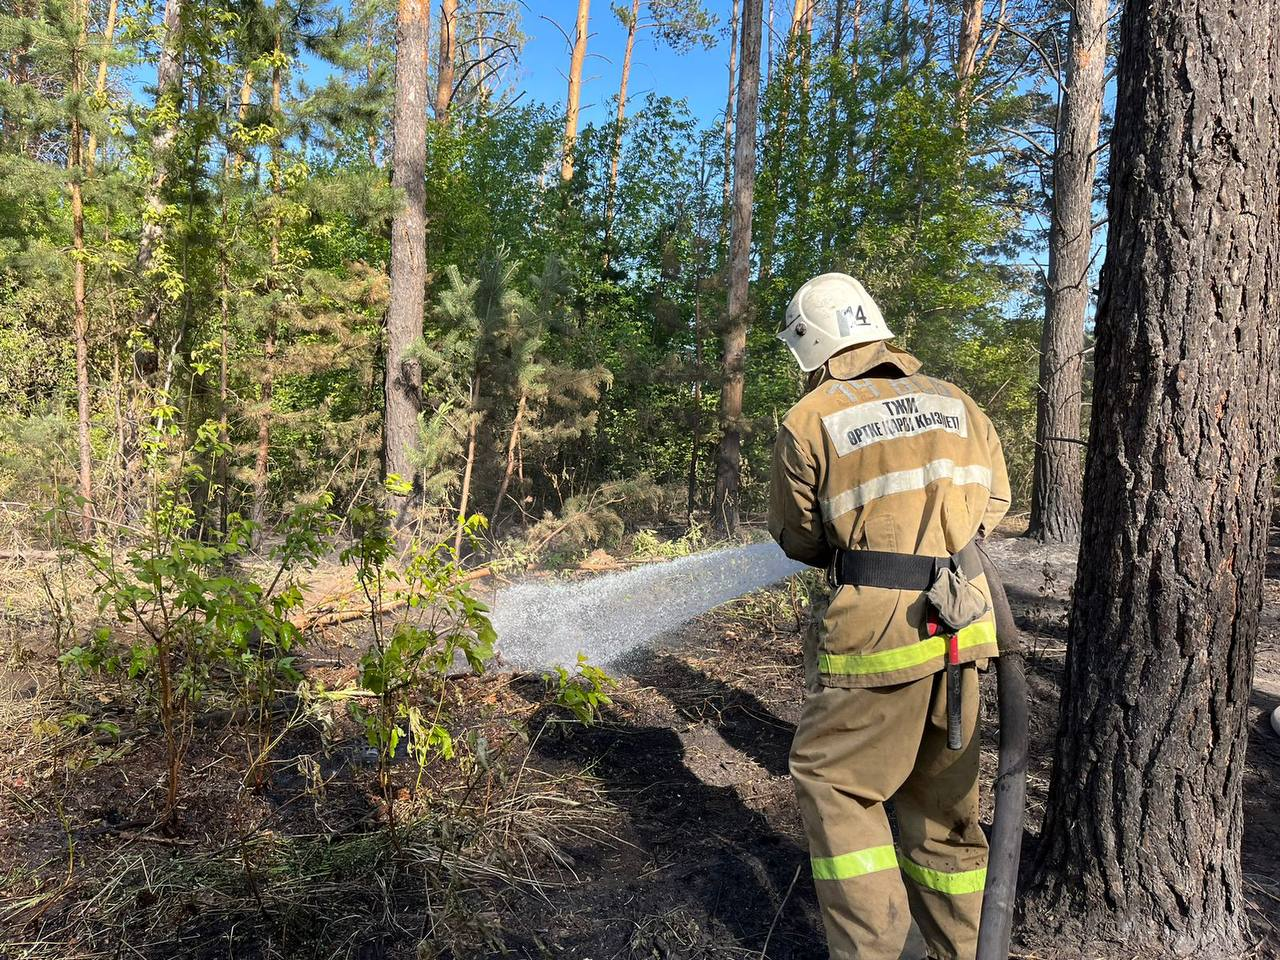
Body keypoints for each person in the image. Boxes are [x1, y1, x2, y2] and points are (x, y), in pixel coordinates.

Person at [768, 273, 1010, 960]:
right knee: (944, 816)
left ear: (812, 343)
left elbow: (799, 538)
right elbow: (994, 506)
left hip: (877, 637)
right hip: (964, 631)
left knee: (836, 784)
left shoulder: (812, 417)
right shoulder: (958, 403)